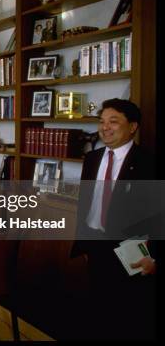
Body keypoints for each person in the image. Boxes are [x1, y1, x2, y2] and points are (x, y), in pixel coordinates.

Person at [70, 98, 159, 340]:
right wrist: (84, 243)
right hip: (95, 245)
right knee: (98, 311)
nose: (105, 127)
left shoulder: (149, 163)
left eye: (113, 121)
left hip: (130, 252)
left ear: (132, 127)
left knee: (128, 317)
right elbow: (87, 204)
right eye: (102, 122)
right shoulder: (92, 158)